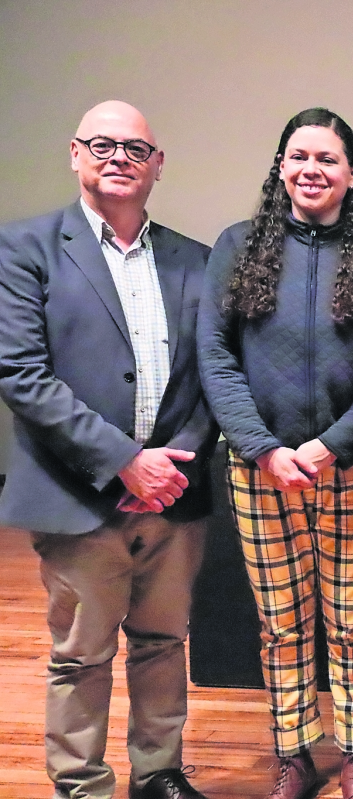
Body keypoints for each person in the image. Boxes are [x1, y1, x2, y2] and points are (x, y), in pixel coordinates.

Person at [0, 101, 217, 799]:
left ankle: (159, 773)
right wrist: (124, 459)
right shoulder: (24, 249)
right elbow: (20, 374)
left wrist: (171, 464)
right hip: (78, 493)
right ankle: (81, 783)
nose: (119, 156)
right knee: (81, 655)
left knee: (163, 644)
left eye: (135, 147)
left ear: (158, 164)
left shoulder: (197, 259)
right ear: (74, 153)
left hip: (173, 497)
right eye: (102, 144)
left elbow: (213, 377)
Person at [198, 108, 353, 799]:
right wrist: (261, 448)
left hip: (348, 466)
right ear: (281, 166)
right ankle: (292, 752)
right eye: (298, 156)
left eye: (327, 159)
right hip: (260, 472)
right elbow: (215, 360)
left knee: (350, 621)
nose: (311, 169)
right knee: (282, 623)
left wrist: (328, 445)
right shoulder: (236, 246)